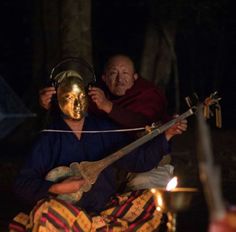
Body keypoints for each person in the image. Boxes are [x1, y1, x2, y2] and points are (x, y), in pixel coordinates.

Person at [10, 66, 187, 231]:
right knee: (46, 211)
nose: (77, 104)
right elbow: (21, 184)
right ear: (58, 100)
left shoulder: (104, 129)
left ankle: (93, 226)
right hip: (67, 213)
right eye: (69, 97)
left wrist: (167, 134)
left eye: (81, 97)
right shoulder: (49, 138)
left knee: (151, 200)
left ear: (88, 98)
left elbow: (139, 161)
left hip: (104, 211)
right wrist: (55, 189)